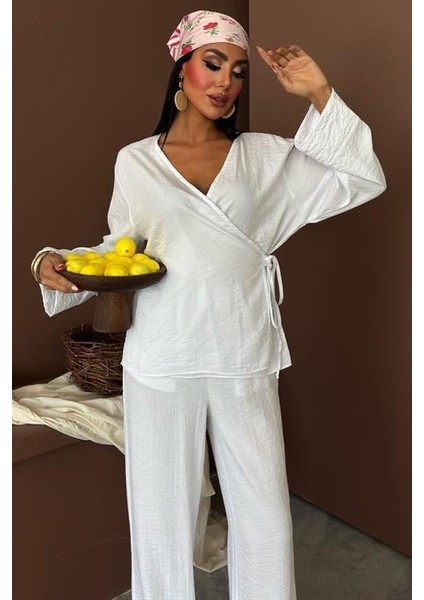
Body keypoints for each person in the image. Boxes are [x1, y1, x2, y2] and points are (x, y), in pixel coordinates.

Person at [31, 9, 387, 600]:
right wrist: (55, 260)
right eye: (213, 63)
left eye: (239, 72)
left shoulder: (265, 157)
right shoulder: (135, 161)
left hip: (242, 349)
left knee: (263, 514)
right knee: (159, 514)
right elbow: (120, 249)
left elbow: (359, 177)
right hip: (162, 354)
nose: (225, 82)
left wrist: (319, 92)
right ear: (182, 71)